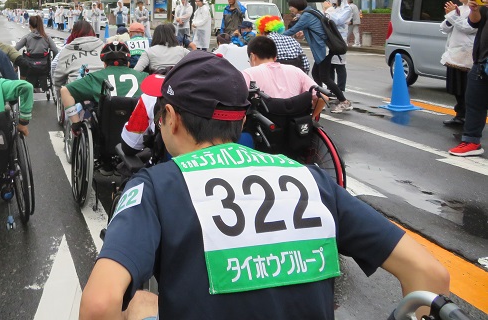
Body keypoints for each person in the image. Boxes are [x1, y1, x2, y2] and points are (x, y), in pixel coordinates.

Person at [80, 51, 450, 320]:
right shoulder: (311, 179)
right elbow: (430, 275)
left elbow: (100, 304)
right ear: (240, 120)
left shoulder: (156, 187)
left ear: (171, 118)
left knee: (142, 304)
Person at [283, 0, 351, 114]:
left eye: (291, 6)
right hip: (322, 49)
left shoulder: (307, 15)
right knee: (316, 74)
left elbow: (293, 30)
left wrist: (275, 37)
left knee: (325, 77)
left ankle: (344, 101)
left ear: (297, 5)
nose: (290, 9)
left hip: (322, 50)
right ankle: (320, 99)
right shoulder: (311, 11)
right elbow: (313, 29)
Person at [60, 41, 144, 126]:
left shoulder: (95, 78)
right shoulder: (144, 77)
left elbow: (65, 91)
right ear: (128, 63)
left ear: (104, 64)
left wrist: (76, 124)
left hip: (108, 130)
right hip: (139, 129)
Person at [449, 0, 488, 157]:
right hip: (481, 62)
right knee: (473, 103)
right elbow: (474, 22)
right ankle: (471, 141)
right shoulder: (485, 4)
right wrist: (475, 8)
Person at [242, 36, 326, 118]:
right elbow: (322, 97)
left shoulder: (248, 74)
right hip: (294, 127)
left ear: (252, 57)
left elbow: (236, 100)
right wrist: (311, 117)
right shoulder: (296, 71)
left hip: (263, 127)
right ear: (275, 57)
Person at [440, 0, 480, 130]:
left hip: (468, 56)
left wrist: (453, 15)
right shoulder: (460, 9)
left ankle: (468, 117)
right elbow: (444, 28)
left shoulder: (476, 10)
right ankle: (459, 115)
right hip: (455, 55)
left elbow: (469, 28)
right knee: (456, 88)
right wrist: (451, 15)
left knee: (467, 90)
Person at [53, 20, 105, 86]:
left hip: (76, 90)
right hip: (102, 88)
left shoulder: (67, 50)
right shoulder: (103, 46)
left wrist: (59, 94)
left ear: (73, 34)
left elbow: (58, 77)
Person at [323, 0, 352, 96]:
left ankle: (340, 89)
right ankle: (331, 88)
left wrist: (327, 11)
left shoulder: (346, 8)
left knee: (340, 65)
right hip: (329, 39)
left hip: (340, 40)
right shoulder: (331, 9)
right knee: (330, 65)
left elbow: (339, 20)